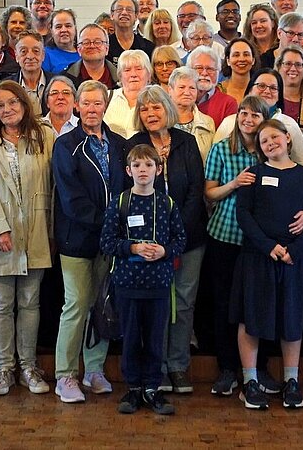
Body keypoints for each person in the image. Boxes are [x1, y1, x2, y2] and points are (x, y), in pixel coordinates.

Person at [232, 119, 303, 411]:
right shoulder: (253, 175)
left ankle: (291, 381)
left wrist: (295, 250)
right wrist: (268, 246)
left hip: (293, 258)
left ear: (287, 138)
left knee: (291, 317)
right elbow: (244, 214)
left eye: (274, 137)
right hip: (259, 256)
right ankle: (249, 382)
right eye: (263, 141)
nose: (270, 144)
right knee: (251, 318)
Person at [0, 81, 56, 396]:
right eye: (0, 105)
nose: (7, 109)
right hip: (0, 234)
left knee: (30, 302)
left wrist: (51, 230)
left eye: (12, 103)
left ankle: (28, 367)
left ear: (24, 103)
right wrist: (0, 228)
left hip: (35, 230)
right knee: (1, 304)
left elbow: (53, 185)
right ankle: (4, 368)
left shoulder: (44, 136)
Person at [52, 80, 127, 404]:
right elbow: (71, 198)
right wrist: (107, 223)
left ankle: (94, 370)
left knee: (103, 305)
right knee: (77, 305)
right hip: (78, 239)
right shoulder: (65, 145)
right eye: (87, 103)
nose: (93, 109)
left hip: (110, 243)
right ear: (77, 106)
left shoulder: (120, 144)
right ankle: (65, 375)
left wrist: (116, 230)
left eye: (99, 103)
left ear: (105, 106)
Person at [128, 86, 206, 396]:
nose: (151, 114)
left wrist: (175, 233)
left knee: (184, 303)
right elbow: (131, 192)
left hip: (188, 238)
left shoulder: (186, 142)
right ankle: (155, 367)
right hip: (148, 243)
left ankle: (178, 365)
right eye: (145, 109)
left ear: (168, 110)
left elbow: (195, 189)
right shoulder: (134, 145)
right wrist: (156, 238)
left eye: (156, 108)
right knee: (155, 303)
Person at [102, 144, 187, 415]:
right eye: (137, 166)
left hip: (159, 283)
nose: (143, 170)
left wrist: (165, 251)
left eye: (149, 165)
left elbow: (180, 239)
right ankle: (133, 388)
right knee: (131, 337)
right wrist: (133, 248)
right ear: (128, 171)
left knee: (154, 338)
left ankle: (153, 387)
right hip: (128, 283)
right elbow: (107, 242)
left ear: (158, 170)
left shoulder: (167, 203)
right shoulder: (120, 202)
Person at [203, 95, 278, 396]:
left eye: (255, 115)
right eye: (243, 114)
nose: (248, 119)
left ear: (265, 119)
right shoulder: (222, 149)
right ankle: (226, 369)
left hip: (259, 242)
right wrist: (234, 183)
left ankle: (259, 370)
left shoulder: (270, 151)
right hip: (225, 237)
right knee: (223, 306)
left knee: (259, 306)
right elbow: (209, 193)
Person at [214, 69, 303, 167]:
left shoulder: (289, 124)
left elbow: (302, 165)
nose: (267, 91)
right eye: (261, 86)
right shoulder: (229, 122)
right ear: (250, 90)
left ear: (279, 96)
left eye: (273, 88)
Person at [166, 66, 216, 161]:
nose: (187, 92)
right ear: (170, 90)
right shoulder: (162, 121)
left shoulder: (208, 122)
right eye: (181, 87)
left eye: (192, 88)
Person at [102, 49, 152, 139]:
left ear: (149, 74)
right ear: (120, 75)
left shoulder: (156, 100)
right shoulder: (106, 97)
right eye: (127, 70)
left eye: (138, 69)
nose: (133, 74)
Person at [189, 45, 237, 129]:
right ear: (188, 70)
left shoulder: (229, 103)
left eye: (210, 69)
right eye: (199, 68)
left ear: (218, 72)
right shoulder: (179, 99)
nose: (204, 73)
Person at [61, 23, 118, 89]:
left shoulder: (121, 77)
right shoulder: (65, 79)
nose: (92, 46)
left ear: (107, 49)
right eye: (86, 42)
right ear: (79, 49)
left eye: (98, 42)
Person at [6, 31, 51, 112]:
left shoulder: (56, 83)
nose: (30, 56)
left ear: (43, 55)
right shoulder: (7, 86)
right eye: (23, 51)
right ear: (16, 55)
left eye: (36, 51)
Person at [275, 45, 303, 132]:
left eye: (298, 65)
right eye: (288, 64)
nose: (293, 69)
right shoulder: (269, 99)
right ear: (279, 68)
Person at [42, 9, 80, 73]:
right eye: (58, 27)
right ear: (51, 31)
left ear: (75, 28)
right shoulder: (45, 54)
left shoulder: (84, 53)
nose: (64, 30)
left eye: (68, 26)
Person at [219, 37, 257, 102]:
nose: (241, 59)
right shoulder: (218, 90)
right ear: (228, 61)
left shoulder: (261, 90)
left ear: (253, 60)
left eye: (246, 54)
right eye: (236, 55)